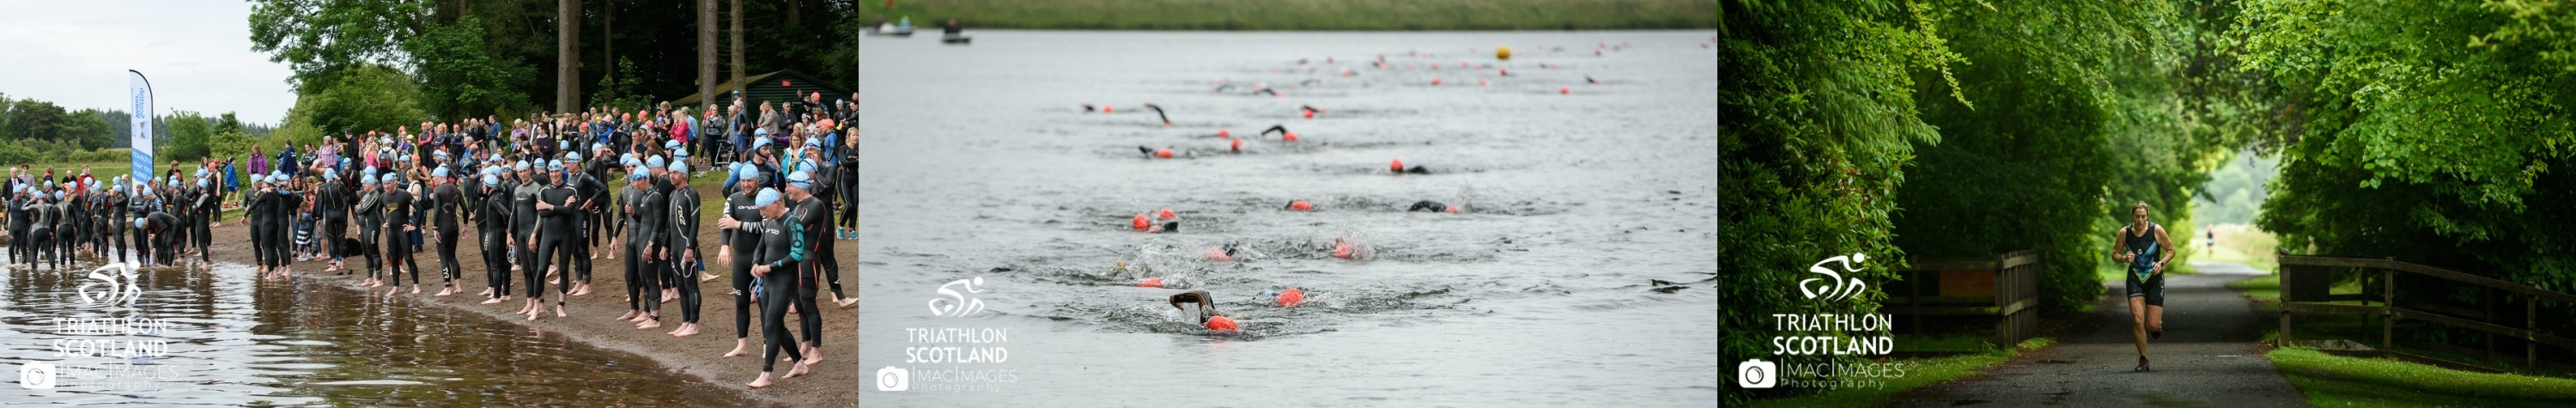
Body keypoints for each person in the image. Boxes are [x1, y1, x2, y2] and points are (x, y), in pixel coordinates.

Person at [744, 188, 811, 388]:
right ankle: (799, 364)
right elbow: (760, 247)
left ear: (775, 203)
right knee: (774, 326)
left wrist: (770, 267)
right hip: (768, 281)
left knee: (772, 324)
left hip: (784, 281)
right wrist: (756, 264)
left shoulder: (793, 223)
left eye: (763, 209)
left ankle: (766, 374)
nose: (761, 213)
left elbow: (797, 254)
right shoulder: (770, 222)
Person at [2112, 201, 2174, 372]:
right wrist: (2123, 259)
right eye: (2137, 216)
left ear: (2147, 216)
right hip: (2135, 278)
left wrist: (2161, 263)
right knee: (2137, 318)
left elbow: (2171, 250)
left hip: (2154, 279)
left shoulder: (2157, 230)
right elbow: (2114, 253)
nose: (2140, 220)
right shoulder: (2124, 232)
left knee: (2152, 325)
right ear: (2132, 216)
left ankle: (2157, 326)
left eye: (2143, 217)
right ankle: (2143, 359)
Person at [665, 161, 704, 337]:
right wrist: (665, 245)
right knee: (680, 287)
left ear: (683, 174)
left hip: (687, 247)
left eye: (675, 172)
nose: (671, 175)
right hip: (674, 248)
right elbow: (669, 223)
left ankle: (694, 324)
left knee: (690, 285)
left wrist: (690, 247)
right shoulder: (673, 194)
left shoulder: (691, 195)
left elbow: (694, 224)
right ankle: (685, 321)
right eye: (670, 172)